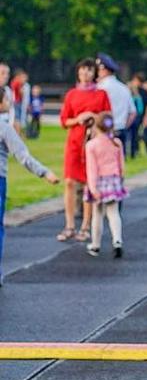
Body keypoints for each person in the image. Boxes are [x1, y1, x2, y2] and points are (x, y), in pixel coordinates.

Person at [0, 90, 59, 286]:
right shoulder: (5, 128)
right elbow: (22, 156)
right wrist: (44, 172)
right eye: (7, 99)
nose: (10, 102)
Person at [58, 58, 111, 243]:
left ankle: (86, 226)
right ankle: (69, 224)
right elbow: (64, 120)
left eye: (89, 71)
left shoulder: (101, 94)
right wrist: (78, 119)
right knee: (70, 182)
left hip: (93, 143)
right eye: (82, 71)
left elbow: (108, 119)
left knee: (90, 184)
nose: (85, 74)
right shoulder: (72, 94)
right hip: (75, 142)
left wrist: (94, 118)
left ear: (94, 73)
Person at [85, 112, 128, 258]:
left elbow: (92, 168)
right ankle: (117, 240)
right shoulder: (116, 143)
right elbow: (121, 165)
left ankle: (95, 245)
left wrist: (92, 187)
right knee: (113, 213)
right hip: (114, 180)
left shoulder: (91, 145)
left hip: (99, 181)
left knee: (97, 214)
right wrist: (121, 179)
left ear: (96, 127)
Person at [95, 53, 137, 154]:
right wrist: (124, 126)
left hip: (103, 131)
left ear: (104, 70)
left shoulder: (99, 88)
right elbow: (132, 113)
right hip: (120, 130)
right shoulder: (124, 88)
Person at [127, 73, 147, 159]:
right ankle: (131, 152)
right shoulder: (127, 92)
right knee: (130, 136)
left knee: (134, 136)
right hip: (130, 117)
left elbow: (140, 109)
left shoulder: (140, 94)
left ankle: (133, 152)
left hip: (136, 118)